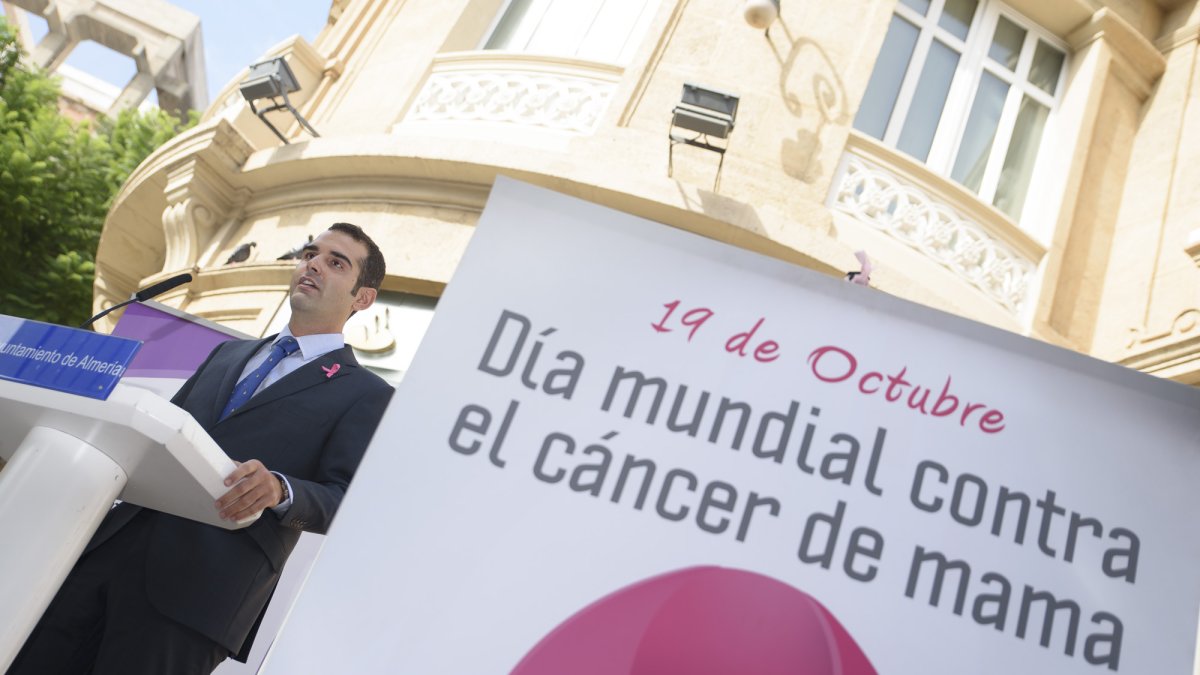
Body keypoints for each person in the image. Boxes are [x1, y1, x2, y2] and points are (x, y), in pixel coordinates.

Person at [11, 223, 395, 675]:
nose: (313, 264)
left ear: (362, 298)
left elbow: (348, 500)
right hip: (106, 554)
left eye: (336, 262)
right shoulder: (226, 356)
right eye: (311, 253)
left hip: (198, 594)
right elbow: (156, 434)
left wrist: (280, 488)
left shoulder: (365, 393)